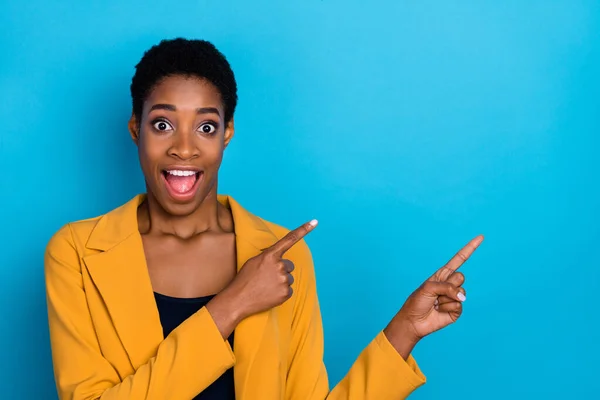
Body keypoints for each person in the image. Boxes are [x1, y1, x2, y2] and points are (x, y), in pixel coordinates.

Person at [44, 38, 484, 400]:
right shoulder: (78, 254)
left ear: (228, 133)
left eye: (206, 126)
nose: (184, 147)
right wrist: (231, 306)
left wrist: (404, 332)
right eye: (162, 125)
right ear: (135, 129)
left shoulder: (283, 256)